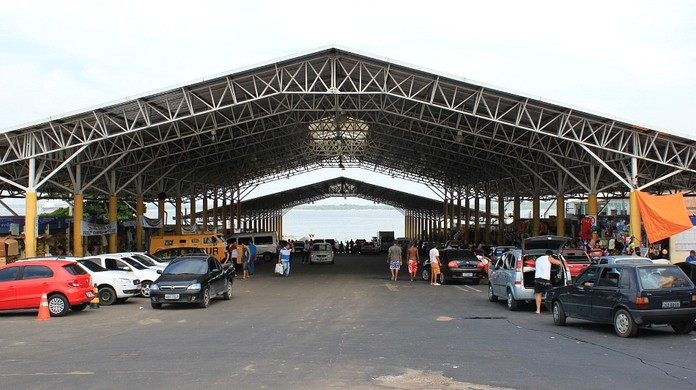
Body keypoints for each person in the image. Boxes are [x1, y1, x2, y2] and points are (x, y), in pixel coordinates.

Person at [534, 250, 561, 314]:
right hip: (545, 280)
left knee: (538, 294)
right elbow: (558, 263)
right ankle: (553, 309)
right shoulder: (549, 258)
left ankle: (538, 310)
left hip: (537, 279)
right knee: (552, 294)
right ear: (550, 255)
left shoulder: (538, 259)